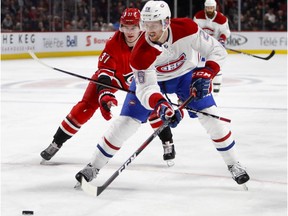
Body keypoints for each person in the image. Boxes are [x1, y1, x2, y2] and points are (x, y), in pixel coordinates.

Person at [75, 1, 249, 187]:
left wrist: (209, 71)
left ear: (166, 22)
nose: (148, 29)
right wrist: (160, 104)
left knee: (211, 116)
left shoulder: (187, 28)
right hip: (154, 80)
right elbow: (146, 88)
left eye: (154, 24)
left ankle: (233, 164)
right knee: (125, 123)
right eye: (146, 24)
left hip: (185, 76)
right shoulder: (140, 53)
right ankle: (93, 166)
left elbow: (216, 49)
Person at [40, 8, 176, 165]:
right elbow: (104, 74)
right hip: (115, 79)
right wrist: (105, 95)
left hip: (138, 80)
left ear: (141, 27)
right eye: (126, 27)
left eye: (133, 27)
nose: (130, 31)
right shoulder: (113, 43)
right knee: (86, 106)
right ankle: (56, 142)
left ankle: (168, 142)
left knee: (152, 106)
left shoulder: (151, 42)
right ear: (121, 27)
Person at [193, 0, 231, 93]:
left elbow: (225, 32)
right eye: (208, 8)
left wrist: (222, 39)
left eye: (211, 8)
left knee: (215, 64)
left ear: (215, 7)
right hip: (201, 45)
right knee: (198, 64)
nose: (209, 10)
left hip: (215, 46)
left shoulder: (221, 19)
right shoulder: (198, 16)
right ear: (205, 7)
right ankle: (198, 84)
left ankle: (216, 87)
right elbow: (194, 30)